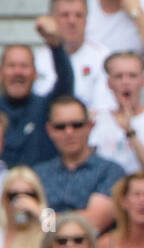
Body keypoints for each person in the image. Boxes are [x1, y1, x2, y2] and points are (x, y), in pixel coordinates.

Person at [33, 96, 124, 232]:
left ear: (90, 126)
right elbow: (26, 224)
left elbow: (94, 223)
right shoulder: (38, 174)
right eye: (60, 127)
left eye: (77, 125)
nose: (69, 132)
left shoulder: (110, 171)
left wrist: (40, 216)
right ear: (50, 130)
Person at [1, 18, 74, 168]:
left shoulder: (46, 107)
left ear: (35, 74)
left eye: (24, 66)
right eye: (11, 66)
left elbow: (66, 83)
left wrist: (56, 46)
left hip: (41, 187)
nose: (18, 72)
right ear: (1, 73)